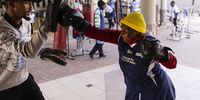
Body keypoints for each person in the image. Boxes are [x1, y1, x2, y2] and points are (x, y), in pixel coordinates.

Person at [59, 5, 177, 100]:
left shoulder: (150, 44)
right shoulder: (121, 38)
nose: (123, 32)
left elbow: (173, 64)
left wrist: (162, 54)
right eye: (122, 28)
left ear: (137, 32)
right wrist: (82, 25)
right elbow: (99, 33)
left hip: (155, 88)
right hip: (133, 85)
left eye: (127, 29)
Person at [0, 0, 66, 99]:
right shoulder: (2, 29)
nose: (31, 7)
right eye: (26, 2)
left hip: (24, 79)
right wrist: (46, 26)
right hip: (5, 89)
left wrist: (43, 51)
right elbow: (28, 50)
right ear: (12, 3)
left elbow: (26, 46)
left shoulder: (25, 23)